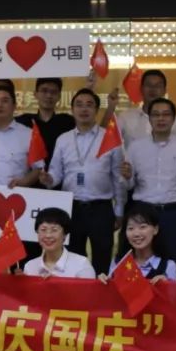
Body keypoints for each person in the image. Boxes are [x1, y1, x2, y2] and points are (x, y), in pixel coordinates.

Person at [41, 88, 126, 277]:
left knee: (102, 258)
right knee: (73, 260)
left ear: (96, 109)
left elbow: (118, 177)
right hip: (72, 208)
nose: (84, 109)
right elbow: (56, 173)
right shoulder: (63, 139)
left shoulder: (109, 138)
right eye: (79, 105)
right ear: (72, 109)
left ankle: (101, 294)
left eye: (89, 105)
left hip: (101, 208)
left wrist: (119, 210)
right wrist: (49, 179)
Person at [121, 98, 176, 268]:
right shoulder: (135, 147)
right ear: (149, 119)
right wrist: (126, 177)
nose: (161, 119)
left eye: (166, 114)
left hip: (172, 214)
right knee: (139, 264)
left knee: (172, 263)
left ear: (173, 119)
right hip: (142, 213)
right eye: (156, 115)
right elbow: (128, 186)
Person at [102, 203, 176, 282]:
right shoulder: (118, 263)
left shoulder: (168, 266)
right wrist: (103, 284)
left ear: (155, 229)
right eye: (131, 228)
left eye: (143, 227)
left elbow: (174, 290)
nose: (136, 234)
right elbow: (111, 289)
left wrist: (166, 285)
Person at [111, 69, 176, 145]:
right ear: (141, 89)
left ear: (164, 91)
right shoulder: (125, 117)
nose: (153, 89)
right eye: (148, 85)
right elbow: (108, 141)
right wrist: (110, 109)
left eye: (157, 86)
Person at [15, 77, 76, 169]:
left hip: (61, 174)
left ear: (59, 96)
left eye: (53, 92)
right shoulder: (23, 121)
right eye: (44, 91)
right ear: (35, 94)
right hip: (29, 176)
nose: (49, 95)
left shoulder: (68, 121)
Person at [22, 207, 96, 279]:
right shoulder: (30, 266)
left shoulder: (82, 264)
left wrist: (58, 283)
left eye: (54, 230)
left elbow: (89, 288)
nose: (48, 235)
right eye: (43, 229)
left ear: (65, 234)